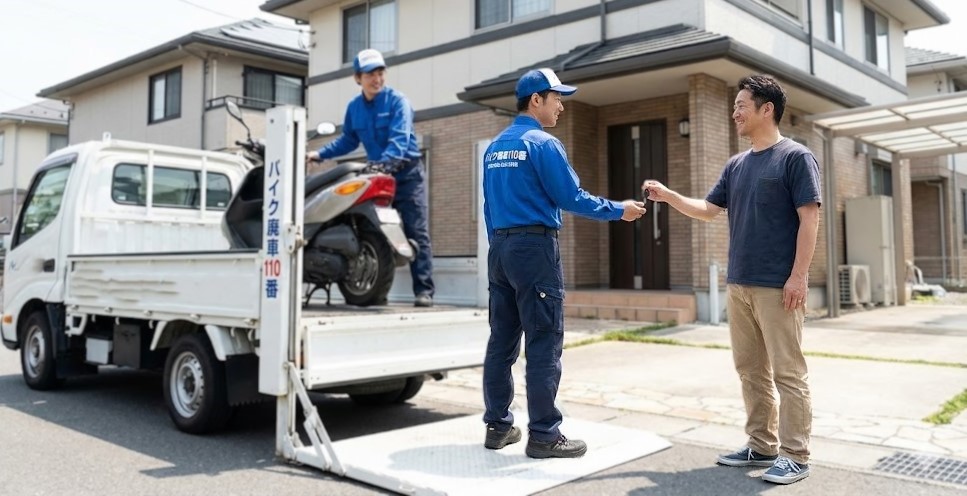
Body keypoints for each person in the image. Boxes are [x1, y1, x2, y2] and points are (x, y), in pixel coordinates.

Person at [642, 74, 820, 485]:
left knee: (788, 372)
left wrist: (798, 276)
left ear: (766, 109)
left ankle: (796, 455)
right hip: (739, 283)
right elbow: (708, 210)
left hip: (778, 285)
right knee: (750, 370)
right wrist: (668, 196)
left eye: (741, 105)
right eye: (735, 105)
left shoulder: (795, 157)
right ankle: (762, 444)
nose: (735, 112)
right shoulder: (736, 165)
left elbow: (810, 219)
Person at [481, 68, 646, 459]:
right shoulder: (543, 143)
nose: (561, 106)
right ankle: (544, 435)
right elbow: (571, 197)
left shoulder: (494, 148)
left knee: (501, 342)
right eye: (557, 98)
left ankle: (498, 427)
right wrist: (618, 210)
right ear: (536, 100)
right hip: (534, 249)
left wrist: (501, 245)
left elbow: (488, 206)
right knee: (543, 342)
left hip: (500, 248)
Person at [306, 48, 434, 307]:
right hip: (378, 174)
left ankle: (424, 291)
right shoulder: (354, 108)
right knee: (372, 230)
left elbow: (400, 139)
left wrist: (383, 164)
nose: (377, 79)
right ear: (358, 78)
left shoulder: (398, 102)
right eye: (370, 74)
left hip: (407, 174)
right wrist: (319, 154)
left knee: (416, 230)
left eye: (380, 73)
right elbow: (348, 140)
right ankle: (376, 290)